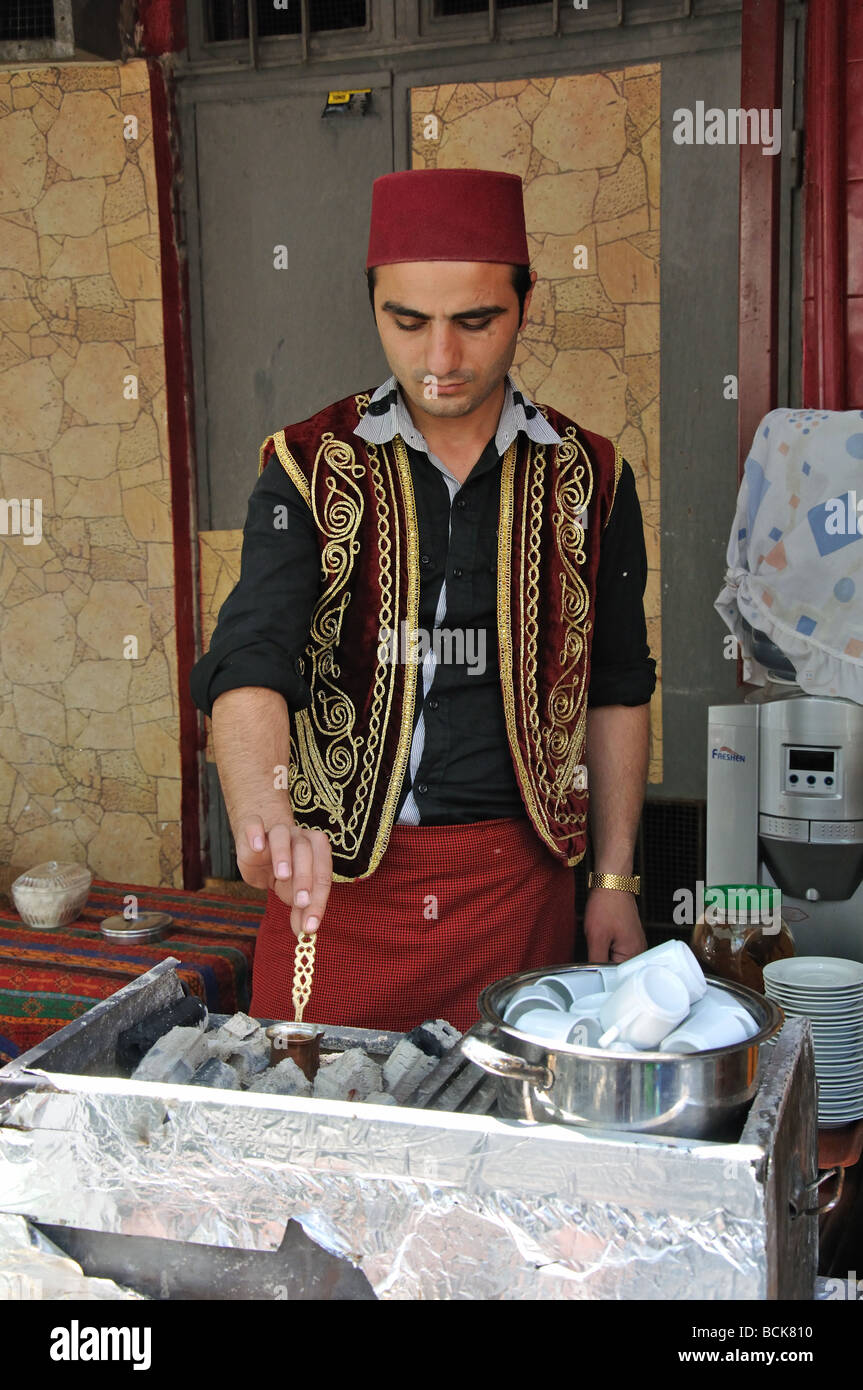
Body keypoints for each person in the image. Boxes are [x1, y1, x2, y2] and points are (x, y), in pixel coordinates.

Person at [190, 167, 656, 1032]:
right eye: (407, 322)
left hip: (519, 891)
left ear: (524, 305)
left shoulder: (590, 474)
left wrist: (615, 882)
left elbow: (617, 685)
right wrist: (263, 817)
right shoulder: (307, 464)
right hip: (337, 890)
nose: (439, 359)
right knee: (321, 1142)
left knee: (502, 1150)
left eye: (474, 321)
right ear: (374, 307)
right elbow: (250, 655)